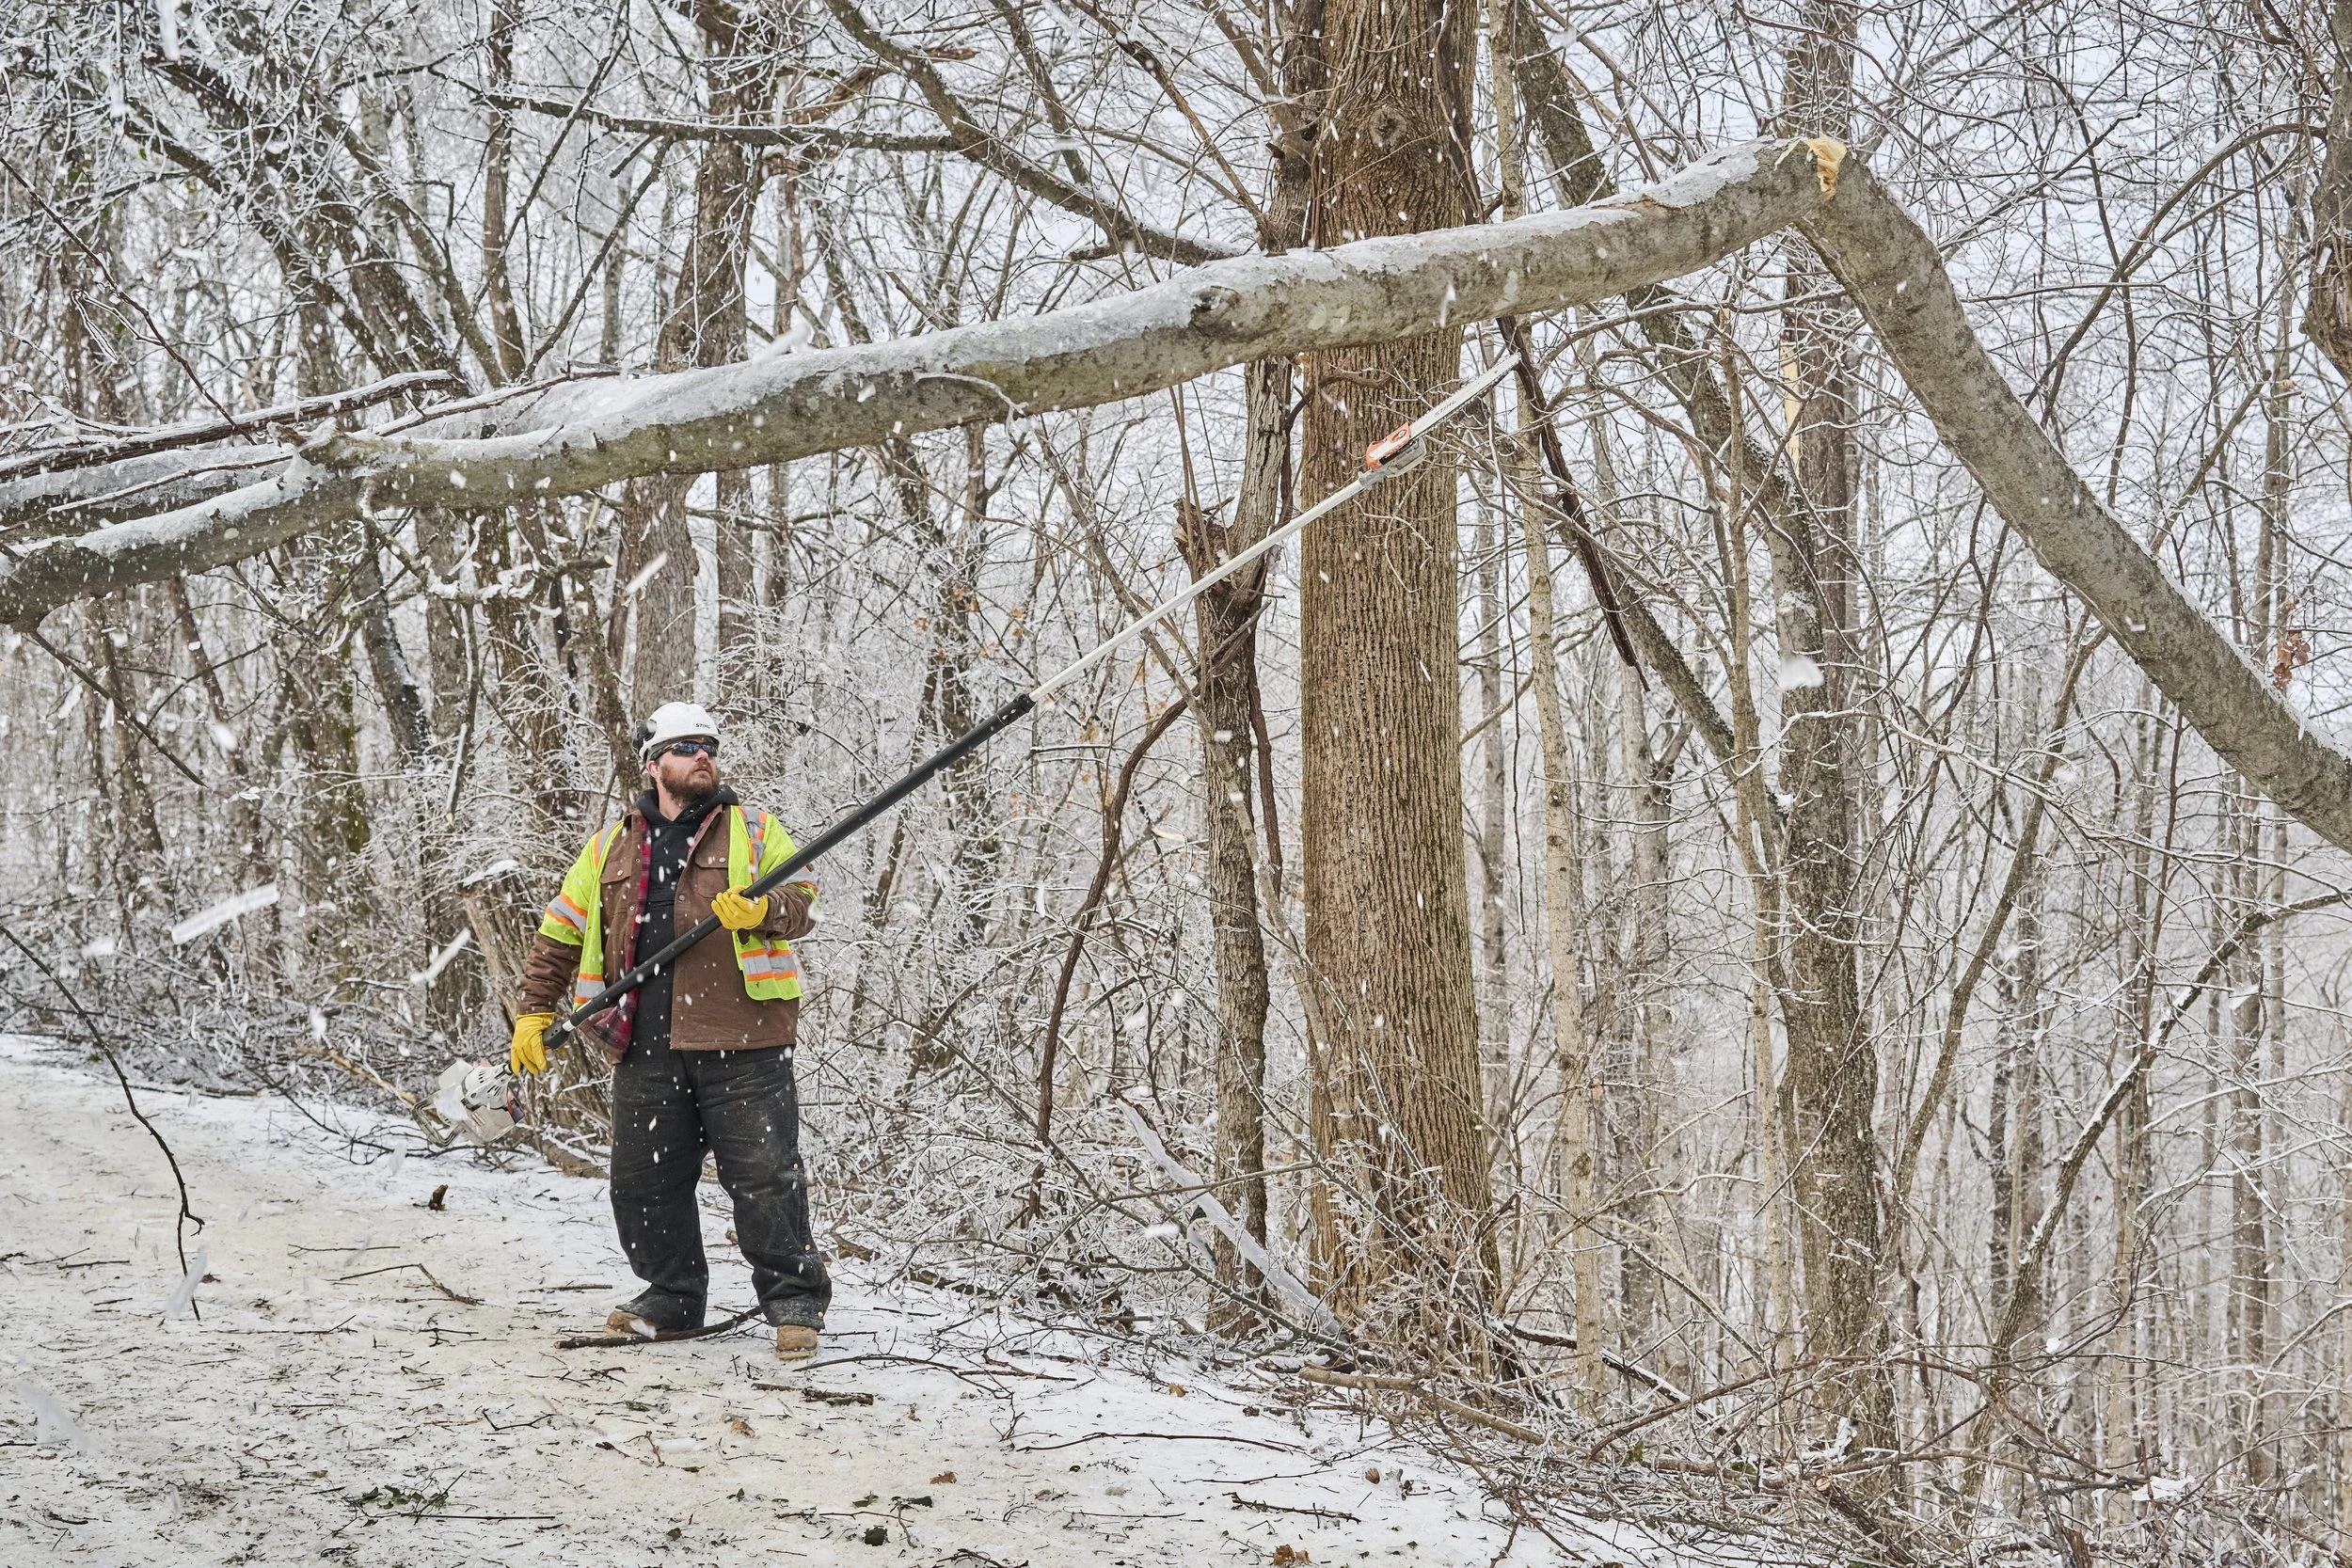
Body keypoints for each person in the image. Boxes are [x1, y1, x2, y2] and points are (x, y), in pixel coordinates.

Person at [506, 701, 831, 1360]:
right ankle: (672, 1296)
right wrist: (534, 1010)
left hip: (745, 1039)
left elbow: (803, 903)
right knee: (642, 1182)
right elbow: (561, 930)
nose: (702, 755)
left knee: (767, 1177)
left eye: (709, 745)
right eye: (686, 747)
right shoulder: (609, 846)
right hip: (644, 1044)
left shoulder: (755, 829)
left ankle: (794, 1301)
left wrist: (763, 911)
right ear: (653, 764)